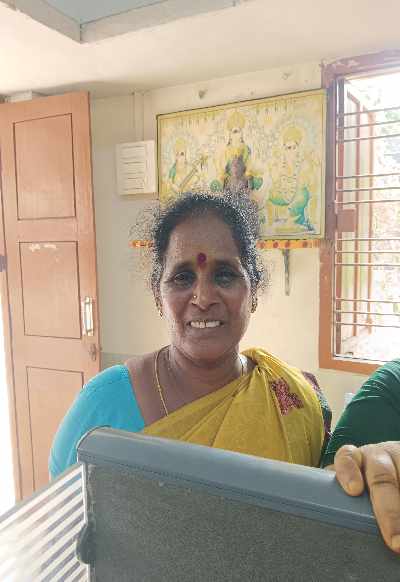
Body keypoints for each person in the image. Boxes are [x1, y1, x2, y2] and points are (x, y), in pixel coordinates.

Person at [50, 192, 400, 554]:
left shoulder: (294, 399)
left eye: (224, 275)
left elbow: (313, 533)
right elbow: (61, 539)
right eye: (182, 277)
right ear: (158, 295)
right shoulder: (102, 405)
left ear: (254, 291)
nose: (203, 297)